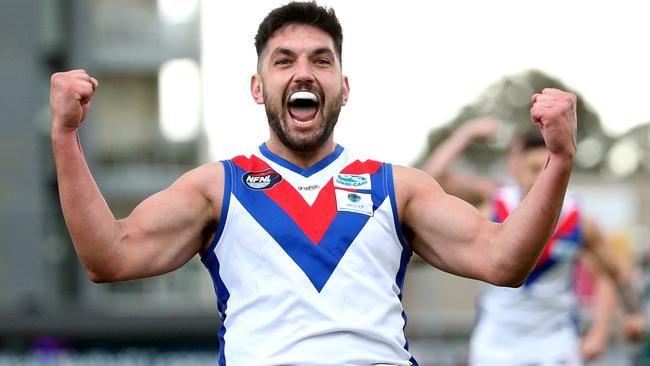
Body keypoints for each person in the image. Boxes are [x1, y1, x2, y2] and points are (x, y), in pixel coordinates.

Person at [50, 2, 580, 365]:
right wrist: (66, 136)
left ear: (343, 88)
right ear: (259, 88)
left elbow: (503, 260)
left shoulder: (397, 187)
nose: (303, 72)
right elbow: (110, 257)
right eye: (284, 61)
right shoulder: (217, 186)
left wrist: (559, 159)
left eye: (320, 61)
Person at [423, 118, 645, 365]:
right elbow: (431, 182)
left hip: (555, 344)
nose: (539, 179)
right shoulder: (494, 206)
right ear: (516, 169)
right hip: (496, 345)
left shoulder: (577, 220)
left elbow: (616, 271)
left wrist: (632, 314)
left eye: (547, 169)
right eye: (533, 168)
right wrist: (467, 132)